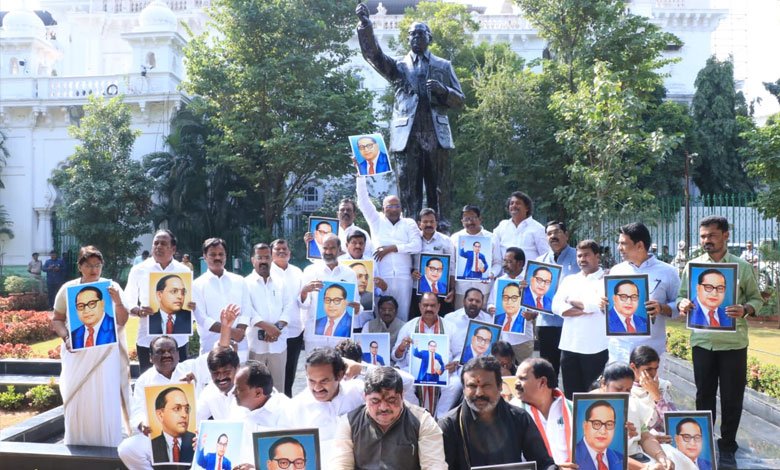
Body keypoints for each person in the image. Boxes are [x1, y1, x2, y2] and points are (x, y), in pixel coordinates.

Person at [356, 5, 465, 217]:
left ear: (429, 38)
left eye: (420, 34)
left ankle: (440, 230)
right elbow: (373, 54)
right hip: (407, 136)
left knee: (439, 188)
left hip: (436, 135)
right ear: (408, 40)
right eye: (412, 34)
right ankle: (410, 227)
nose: (416, 37)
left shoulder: (443, 66)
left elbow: (460, 101)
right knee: (408, 188)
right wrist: (365, 25)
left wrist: (444, 91)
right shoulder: (398, 67)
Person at [676, 215, 762, 469]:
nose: (706, 241)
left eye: (712, 235)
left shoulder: (742, 267)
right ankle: (702, 446)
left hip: (733, 344)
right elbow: (682, 297)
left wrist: (745, 308)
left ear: (726, 235)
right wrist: (683, 304)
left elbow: (757, 300)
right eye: (703, 236)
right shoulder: (692, 267)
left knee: (732, 397)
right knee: (703, 395)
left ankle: (728, 447)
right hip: (702, 341)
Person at [50, 245, 130, 447]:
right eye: (89, 265)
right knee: (77, 398)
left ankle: (108, 444)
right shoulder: (67, 289)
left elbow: (122, 321)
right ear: (80, 267)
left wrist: (118, 302)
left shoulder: (112, 287)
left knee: (105, 400)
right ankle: (77, 444)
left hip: (106, 357)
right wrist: (66, 338)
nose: (94, 269)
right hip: (76, 355)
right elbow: (57, 319)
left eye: (97, 265)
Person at [438, 356, 557, 470]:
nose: (479, 393)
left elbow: (543, 463)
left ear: (500, 386)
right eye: (472, 386)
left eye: (486, 386)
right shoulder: (449, 425)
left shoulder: (519, 418)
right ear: (463, 389)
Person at [332, 367, 447, 470]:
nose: (383, 407)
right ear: (365, 397)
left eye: (391, 400)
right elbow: (341, 465)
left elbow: (434, 465)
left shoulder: (422, 422)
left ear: (402, 395)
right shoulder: (349, 422)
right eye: (375, 401)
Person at [118, 335, 196, 470]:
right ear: (150, 357)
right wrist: (143, 424)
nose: (166, 354)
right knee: (127, 449)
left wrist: (197, 379)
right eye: (160, 352)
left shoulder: (191, 370)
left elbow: (217, 360)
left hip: (192, 437)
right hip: (159, 437)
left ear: (178, 354)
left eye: (171, 351)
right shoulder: (144, 380)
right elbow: (137, 412)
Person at [607, 222, 680, 364]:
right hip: (619, 350)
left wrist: (661, 308)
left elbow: (680, 305)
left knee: (650, 387)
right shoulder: (616, 271)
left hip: (651, 352)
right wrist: (604, 304)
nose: (619, 248)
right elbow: (610, 309)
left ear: (640, 245)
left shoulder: (667, 272)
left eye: (623, 243)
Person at [355, 166, 422, 322]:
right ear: (383, 208)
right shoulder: (376, 221)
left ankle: (400, 346)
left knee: (402, 315)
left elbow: (416, 245)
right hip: (382, 277)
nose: (394, 209)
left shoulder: (409, 223)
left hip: (404, 277)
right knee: (380, 316)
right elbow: (363, 202)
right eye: (390, 206)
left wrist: (392, 248)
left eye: (397, 205)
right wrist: (360, 175)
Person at [125, 229, 193, 371]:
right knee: (149, 385)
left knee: (178, 383)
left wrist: (190, 306)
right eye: (155, 243)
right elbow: (127, 301)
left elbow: (192, 303)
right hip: (148, 340)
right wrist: (138, 311)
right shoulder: (139, 270)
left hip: (178, 341)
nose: (158, 247)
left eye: (163, 243)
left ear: (173, 249)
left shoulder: (184, 272)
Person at [286, 348, 365, 461]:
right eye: (312, 381)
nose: (317, 388)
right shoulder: (295, 408)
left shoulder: (357, 391)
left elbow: (397, 381)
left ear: (340, 375)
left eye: (324, 381)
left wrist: (363, 369)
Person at [552, 240, 608, 399]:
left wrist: (570, 301)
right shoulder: (570, 280)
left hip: (595, 348)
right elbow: (555, 306)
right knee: (571, 396)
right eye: (579, 256)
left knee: (594, 396)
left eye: (587, 255)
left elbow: (597, 306)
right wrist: (586, 309)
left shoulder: (605, 279)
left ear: (597, 256)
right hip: (569, 345)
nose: (582, 259)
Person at [594, 362, 675, 470]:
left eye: (628, 390)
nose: (624, 394)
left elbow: (645, 437)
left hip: (638, 457)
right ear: (604, 383)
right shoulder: (591, 408)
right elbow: (602, 453)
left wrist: (661, 456)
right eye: (618, 389)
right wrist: (644, 468)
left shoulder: (632, 404)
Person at [393, 292, 460, 417]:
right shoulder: (409, 327)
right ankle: (418, 416)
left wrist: (455, 363)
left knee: (456, 384)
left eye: (432, 305)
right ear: (419, 306)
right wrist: (402, 347)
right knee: (400, 380)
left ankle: (440, 418)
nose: (429, 308)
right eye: (425, 305)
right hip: (415, 371)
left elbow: (459, 353)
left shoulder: (450, 327)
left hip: (442, 372)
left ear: (439, 307)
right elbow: (395, 356)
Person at [246, 242, 295, 390]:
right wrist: (267, 327)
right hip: (255, 345)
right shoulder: (245, 283)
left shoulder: (280, 283)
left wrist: (277, 328)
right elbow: (247, 310)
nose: (263, 261)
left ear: (271, 259)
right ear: (253, 260)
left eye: (266, 257)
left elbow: (288, 306)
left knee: (278, 387)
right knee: (255, 387)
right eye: (259, 257)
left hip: (278, 344)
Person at [299, 234, 361, 351]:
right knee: (315, 368)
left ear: (339, 250)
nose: (328, 251)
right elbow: (303, 305)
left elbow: (356, 303)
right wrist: (304, 292)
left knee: (338, 369)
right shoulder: (310, 271)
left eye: (332, 248)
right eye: (325, 248)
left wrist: (358, 308)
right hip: (314, 335)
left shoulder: (349, 274)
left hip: (340, 338)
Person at [536, 220, 581, 378]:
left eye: (556, 232)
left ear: (566, 235)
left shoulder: (579, 257)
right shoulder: (539, 262)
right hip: (546, 323)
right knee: (548, 372)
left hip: (572, 322)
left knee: (572, 371)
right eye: (549, 234)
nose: (553, 236)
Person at [192, 238, 250, 357]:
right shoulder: (196, 285)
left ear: (226, 256)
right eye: (212, 254)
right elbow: (202, 318)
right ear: (205, 256)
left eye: (220, 254)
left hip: (239, 345)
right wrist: (230, 332)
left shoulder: (239, 281)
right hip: (211, 347)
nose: (217, 258)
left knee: (240, 375)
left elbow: (247, 309)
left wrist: (239, 332)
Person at [513, 358, 575, 466]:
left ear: (542, 382)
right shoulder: (512, 412)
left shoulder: (573, 409)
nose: (516, 383)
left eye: (522, 378)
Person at [230, 360, 292, 467]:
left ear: (258, 392)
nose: (233, 392)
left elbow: (290, 460)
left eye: (238, 389)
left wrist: (256, 467)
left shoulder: (286, 412)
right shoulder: (236, 405)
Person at [270, 239, 305, 397]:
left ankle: (288, 406)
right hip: (273, 332)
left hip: (294, 331)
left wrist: (305, 295)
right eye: (278, 249)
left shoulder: (298, 272)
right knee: (271, 375)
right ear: (271, 254)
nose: (282, 251)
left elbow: (303, 302)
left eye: (285, 249)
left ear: (290, 253)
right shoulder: (267, 273)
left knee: (290, 372)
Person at [487, 247, 535, 362]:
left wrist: (532, 315)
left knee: (524, 373)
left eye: (509, 262)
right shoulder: (499, 281)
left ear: (520, 263)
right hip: (503, 338)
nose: (504, 265)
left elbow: (538, 309)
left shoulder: (530, 281)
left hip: (523, 339)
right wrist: (492, 309)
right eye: (504, 261)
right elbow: (490, 303)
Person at [492, 191, 549, 277]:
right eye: (511, 203)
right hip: (504, 278)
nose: (514, 206)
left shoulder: (537, 229)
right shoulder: (502, 226)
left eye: (518, 203)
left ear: (527, 208)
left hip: (528, 279)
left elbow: (546, 256)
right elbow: (494, 251)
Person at [450, 205, 493, 309]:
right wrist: (452, 288)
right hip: (462, 288)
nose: (470, 222)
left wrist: (491, 273)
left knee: (482, 320)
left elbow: (497, 262)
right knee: (460, 319)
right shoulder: (455, 238)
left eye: (473, 218)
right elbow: (452, 263)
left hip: (483, 288)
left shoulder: (491, 237)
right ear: (462, 221)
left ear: (480, 219)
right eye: (466, 219)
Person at [412, 208, 455, 306]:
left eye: (431, 221)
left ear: (436, 223)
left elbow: (451, 267)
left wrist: (452, 289)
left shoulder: (445, 241)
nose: (429, 224)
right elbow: (407, 262)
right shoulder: (413, 240)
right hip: (417, 288)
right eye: (425, 222)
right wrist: (412, 272)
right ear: (419, 224)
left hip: (441, 289)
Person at [629, 346, 676, 434]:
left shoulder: (662, 386)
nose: (653, 374)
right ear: (633, 367)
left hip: (661, 440)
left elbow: (674, 423)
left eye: (656, 368)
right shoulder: (624, 387)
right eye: (648, 369)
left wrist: (656, 395)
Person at [151, 386, 196, 465]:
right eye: (177, 408)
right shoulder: (151, 446)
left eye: (186, 409)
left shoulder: (196, 442)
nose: (184, 415)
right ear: (160, 415)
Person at [575, 399, 624, 470]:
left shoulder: (620, 458)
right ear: (585, 426)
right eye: (597, 424)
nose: (603, 431)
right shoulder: (571, 456)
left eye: (609, 424)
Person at [447, 288, 492, 361]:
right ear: (464, 301)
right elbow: (445, 346)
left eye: (478, 301)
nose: (474, 303)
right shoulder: (450, 318)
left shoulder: (489, 320)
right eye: (470, 300)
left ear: (482, 304)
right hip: (454, 362)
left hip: (481, 363)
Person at [198, 345, 241, 422]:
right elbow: (196, 420)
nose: (221, 377)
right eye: (215, 373)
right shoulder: (209, 392)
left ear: (238, 368)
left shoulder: (253, 390)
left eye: (226, 372)